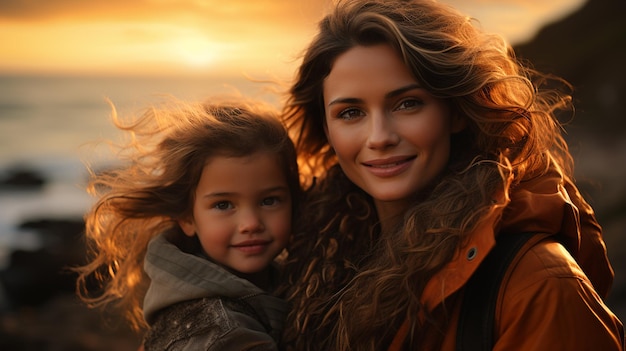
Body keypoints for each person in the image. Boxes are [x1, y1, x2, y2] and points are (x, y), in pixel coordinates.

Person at [277, 0, 625, 350]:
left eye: (407, 103)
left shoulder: (539, 285)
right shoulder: (305, 267)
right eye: (351, 112)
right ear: (326, 128)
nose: (379, 136)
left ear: (456, 112)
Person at [75, 97, 300, 350]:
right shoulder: (223, 335)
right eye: (223, 205)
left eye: (269, 200)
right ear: (186, 218)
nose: (250, 224)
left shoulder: (285, 276)